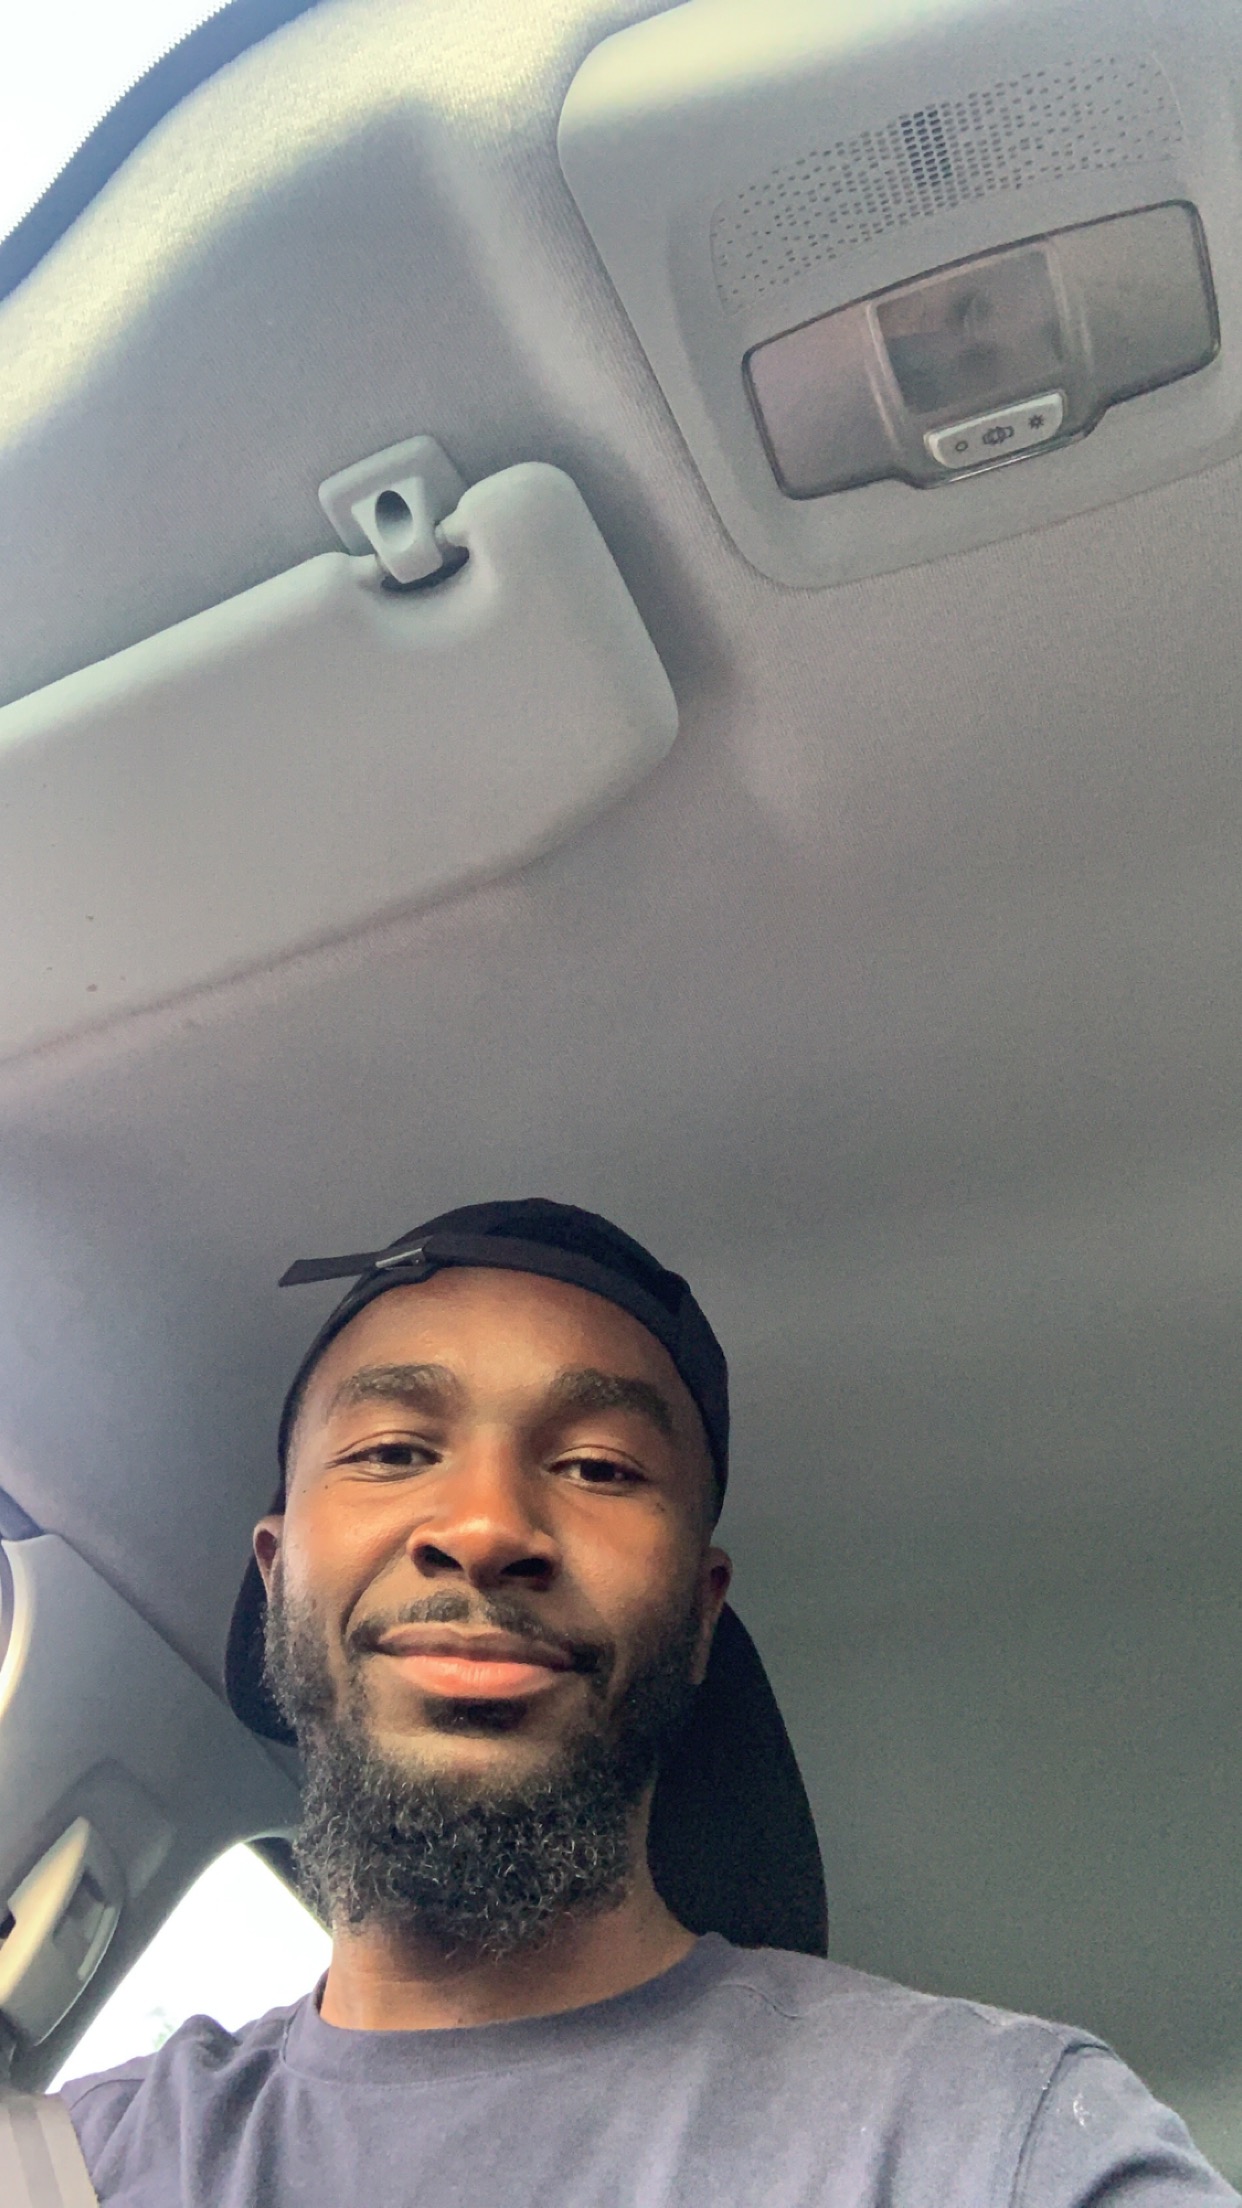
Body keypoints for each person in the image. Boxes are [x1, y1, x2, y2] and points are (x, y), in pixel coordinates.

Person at [61, 1200, 1239, 2204]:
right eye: (392, 1451)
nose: (484, 1528)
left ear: (702, 1615)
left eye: (599, 1468)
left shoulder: (995, 2137)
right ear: (275, 1577)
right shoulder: (76, 2164)